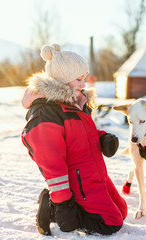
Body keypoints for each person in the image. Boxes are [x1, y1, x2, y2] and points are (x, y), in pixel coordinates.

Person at [21, 44, 127, 236]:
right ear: (62, 79)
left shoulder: (76, 101)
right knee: (110, 223)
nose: (83, 84)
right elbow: (51, 163)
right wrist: (63, 204)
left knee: (122, 211)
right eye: (78, 79)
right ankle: (51, 206)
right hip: (75, 180)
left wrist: (103, 139)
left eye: (84, 79)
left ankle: (76, 208)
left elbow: (81, 133)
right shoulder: (47, 113)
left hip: (93, 171)